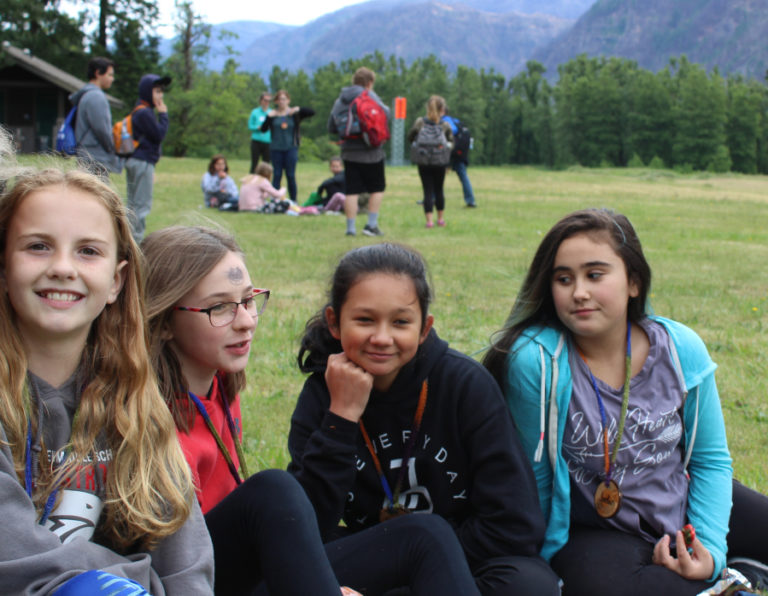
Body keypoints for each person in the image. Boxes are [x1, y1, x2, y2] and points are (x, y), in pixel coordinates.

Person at [142, 226, 479, 596]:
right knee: (273, 490)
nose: (246, 321)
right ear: (162, 322)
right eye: (219, 307)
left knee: (425, 534)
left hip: (246, 563)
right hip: (189, 579)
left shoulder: (220, 386)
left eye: (248, 300)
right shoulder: (143, 416)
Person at [483, 208, 768, 595]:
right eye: (563, 279)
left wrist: (712, 550)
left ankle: (734, 565)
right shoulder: (538, 362)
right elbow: (534, 480)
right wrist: (540, 562)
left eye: (595, 275)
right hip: (594, 529)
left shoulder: (681, 349)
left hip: (678, 501)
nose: (578, 292)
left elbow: (709, 460)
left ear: (634, 281)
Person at [0, 137, 213, 594]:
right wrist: (129, 577)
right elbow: (17, 560)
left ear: (117, 280)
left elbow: (185, 559)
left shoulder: (131, 398)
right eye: (38, 246)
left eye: (88, 251)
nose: (62, 267)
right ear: (2, 267)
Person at [289, 242, 561, 596]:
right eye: (364, 319)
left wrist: (429, 568)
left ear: (424, 328)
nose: (382, 338)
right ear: (334, 322)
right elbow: (306, 527)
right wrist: (341, 417)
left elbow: (515, 523)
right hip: (372, 558)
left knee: (530, 586)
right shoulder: (323, 394)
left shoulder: (464, 385)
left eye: (400, 322)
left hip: (465, 556)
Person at [328, 67, 389, 237]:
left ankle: (350, 228)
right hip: (372, 151)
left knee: (352, 190)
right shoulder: (369, 96)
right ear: (369, 83)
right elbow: (386, 115)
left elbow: (331, 126)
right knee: (377, 188)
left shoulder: (340, 100)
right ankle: (371, 225)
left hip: (349, 151)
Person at [125, 73, 170, 243]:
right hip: (142, 161)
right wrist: (164, 115)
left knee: (133, 204)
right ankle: (135, 243)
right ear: (146, 91)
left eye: (161, 92)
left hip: (137, 160)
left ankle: (129, 240)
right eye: (157, 91)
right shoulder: (144, 113)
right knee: (140, 205)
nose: (161, 96)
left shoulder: (141, 110)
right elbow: (158, 135)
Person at [69, 56, 121, 177]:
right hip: (95, 158)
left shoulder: (85, 94)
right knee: (98, 195)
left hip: (86, 155)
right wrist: (112, 148)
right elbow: (102, 129)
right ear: (98, 73)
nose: (112, 79)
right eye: (110, 75)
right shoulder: (96, 97)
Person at [259, 89, 314, 202]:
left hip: (291, 148)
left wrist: (298, 109)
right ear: (276, 101)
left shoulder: (293, 114)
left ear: (288, 100)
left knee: (290, 175)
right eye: (279, 99)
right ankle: (275, 200)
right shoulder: (273, 115)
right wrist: (269, 117)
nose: (282, 101)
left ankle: (294, 201)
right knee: (277, 174)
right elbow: (263, 129)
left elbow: (312, 112)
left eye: (284, 99)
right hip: (276, 149)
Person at [408, 95, 453, 228]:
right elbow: (451, 142)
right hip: (440, 161)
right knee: (439, 189)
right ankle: (440, 219)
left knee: (427, 190)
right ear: (442, 109)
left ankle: (429, 221)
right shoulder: (444, 125)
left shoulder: (420, 122)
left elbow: (411, 137)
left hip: (423, 160)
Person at [442, 110, 477, 208]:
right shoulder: (456, 120)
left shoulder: (445, 120)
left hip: (450, 151)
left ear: (442, 111)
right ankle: (470, 200)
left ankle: (431, 198)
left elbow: (453, 130)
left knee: (438, 174)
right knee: (463, 175)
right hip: (459, 152)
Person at [248, 91, 272, 173]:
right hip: (256, 141)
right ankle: (251, 182)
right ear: (261, 100)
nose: (267, 102)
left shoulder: (271, 112)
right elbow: (250, 126)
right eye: (265, 100)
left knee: (266, 165)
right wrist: (257, 127)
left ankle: (265, 183)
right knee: (254, 163)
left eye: (269, 101)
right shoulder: (255, 112)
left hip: (268, 141)